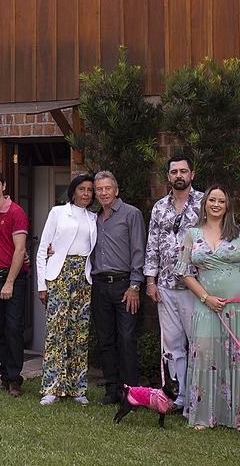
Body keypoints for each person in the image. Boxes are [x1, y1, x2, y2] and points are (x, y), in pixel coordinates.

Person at [173, 184, 240, 430]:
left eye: (222, 201)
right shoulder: (192, 234)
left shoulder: (239, 232)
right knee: (204, 354)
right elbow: (185, 273)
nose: (216, 205)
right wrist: (206, 298)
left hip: (239, 306)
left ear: (228, 206)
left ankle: (235, 417)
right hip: (207, 305)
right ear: (205, 203)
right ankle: (204, 415)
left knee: (235, 358)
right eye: (212, 200)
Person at [144, 154, 203, 404]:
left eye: (183, 171)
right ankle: (178, 397)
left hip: (197, 287)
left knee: (199, 344)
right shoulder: (159, 207)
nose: (179, 175)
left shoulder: (204, 202)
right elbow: (152, 245)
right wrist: (150, 281)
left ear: (191, 174)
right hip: (165, 287)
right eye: (174, 172)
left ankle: (199, 397)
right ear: (168, 176)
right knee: (172, 346)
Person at [35, 173, 97, 405]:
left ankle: (77, 389)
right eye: (82, 189)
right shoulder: (58, 212)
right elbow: (43, 250)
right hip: (59, 275)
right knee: (56, 332)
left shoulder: (93, 218)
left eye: (90, 190)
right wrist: (42, 285)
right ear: (73, 191)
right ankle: (51, 388)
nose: (86, 194)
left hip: (83, 276)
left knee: (78, 333)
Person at [91, 171, 146, 406]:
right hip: (100, 286)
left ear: (116, 190)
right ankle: (112, 390)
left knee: (126, 339)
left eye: (107, 189)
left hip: (125, 286)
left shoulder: (131, 214)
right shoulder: (93, 218)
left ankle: (131, 392)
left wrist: (135, 286)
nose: (103, 193)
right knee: (105, 339)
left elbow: (139, 251)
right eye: (99, 189)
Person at [0, 168, 30, 398]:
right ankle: (4, 374)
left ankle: (15, 379)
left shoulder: (16, 212)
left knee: (13, 329)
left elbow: (20, 249)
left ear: (4, 186)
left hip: (13, 279)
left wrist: (9, 282)